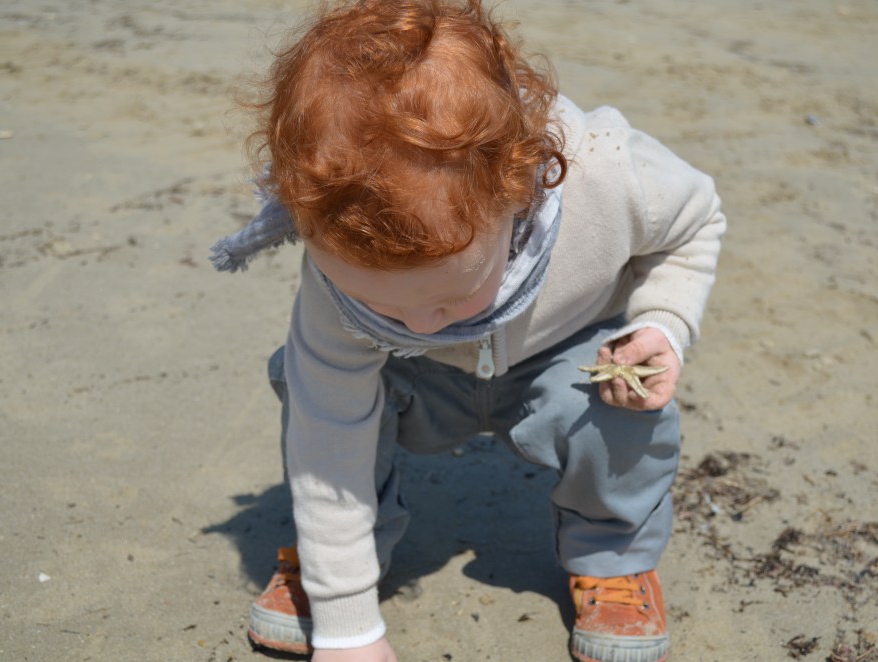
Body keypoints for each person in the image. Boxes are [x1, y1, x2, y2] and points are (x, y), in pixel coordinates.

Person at [210, 1, 725, 660]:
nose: (422, 323)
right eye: (380, 304)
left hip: (563, 357)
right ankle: (340, 569)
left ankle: (612, 557)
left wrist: (664, 322)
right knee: (306, 382)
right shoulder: (334, 284)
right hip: (418, 385)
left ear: (516, 189)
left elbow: (697, 221)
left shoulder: (613, 173)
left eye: (450, 295)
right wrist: (349, 629)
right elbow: (326, 440)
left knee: (623, 402)